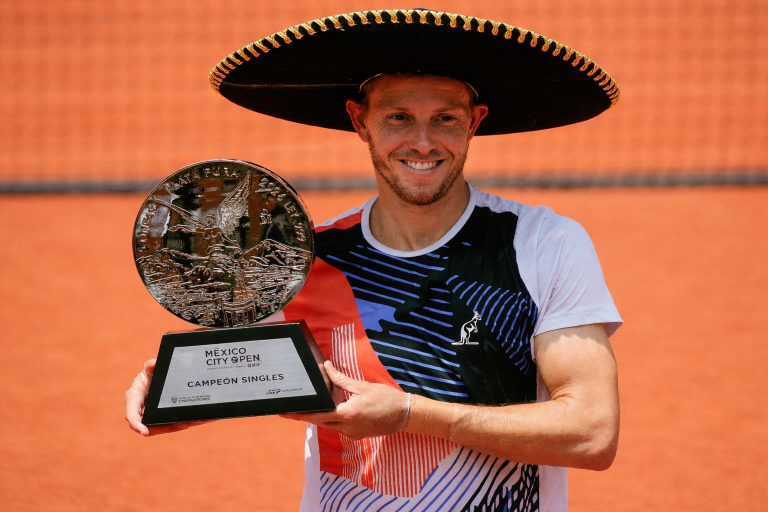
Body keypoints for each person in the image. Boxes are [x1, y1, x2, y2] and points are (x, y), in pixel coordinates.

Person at [126, 9, 622, 511]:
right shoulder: (302, 260)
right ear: (359, 120)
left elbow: (591, 432)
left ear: (475, 121)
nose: (423, 142)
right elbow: (256, 371)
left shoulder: (542, 243)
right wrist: (172, 388)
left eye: (445, 118)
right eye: (398, 118)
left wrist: (410, 414)